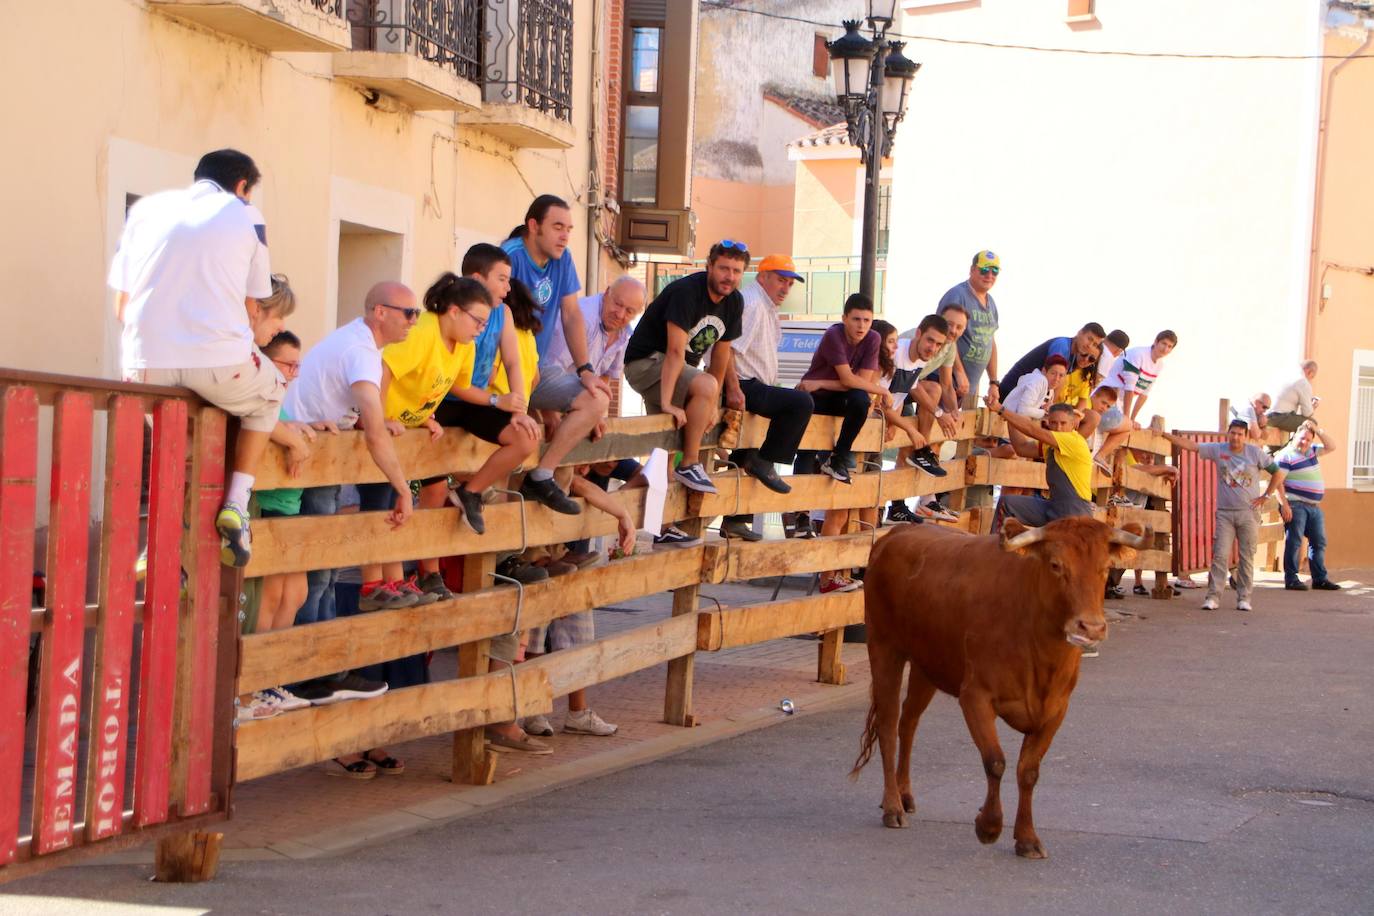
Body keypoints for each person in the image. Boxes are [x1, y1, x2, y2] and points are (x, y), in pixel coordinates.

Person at [109, 148, 279, 568]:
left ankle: (161, 547)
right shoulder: (245, 215)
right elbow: (252, 306)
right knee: (272, 393)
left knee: (182, 449)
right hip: (218, 360)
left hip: (143, 365)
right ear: (243, 187)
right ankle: (236, 505)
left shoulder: (146, 210)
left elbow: (121, 308)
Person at [279, 282, 418, 709]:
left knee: (323, 572)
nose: (414, 321)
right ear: (380, 312)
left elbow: (366, 417)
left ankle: (323, 668)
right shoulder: (360, 351)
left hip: (314, 459)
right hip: (301, 465)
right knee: (316, 573)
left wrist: (373, 421)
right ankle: (310, 671)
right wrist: (401, 488)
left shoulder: (360, 346)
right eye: (407, 313)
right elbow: (374, 431)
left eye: (415, 314)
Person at [624, 240, 749, 495]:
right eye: (724, 269)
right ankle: (690, 463)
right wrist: (669, 403)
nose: (730, 277)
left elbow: (721, 356)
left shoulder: (734, 302)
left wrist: (713, 402)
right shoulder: (687, 292)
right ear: (709, 266)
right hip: (646, 363)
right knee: (705, 383)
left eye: (736, 271)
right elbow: (674, 351)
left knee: (662, 461)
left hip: (677, 373)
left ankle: (654, 526)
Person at [543, 276, 646, 562]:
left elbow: (605, 380)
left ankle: (565, 550)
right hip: (547, 407)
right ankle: (551, 553)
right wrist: (562, 416)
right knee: (563, 475)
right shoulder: (584, 318)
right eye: (617, 304)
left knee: (582, 470)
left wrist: (595, 419)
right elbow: (548, 372)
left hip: (577, 412)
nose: (620, 314)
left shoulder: (623, 333)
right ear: (606, 293)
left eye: (630, 311)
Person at [716, 254, 816, 540]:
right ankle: (766, 461)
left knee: (745, 451)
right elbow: (726, 349)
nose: (785, 287)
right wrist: (733, 388)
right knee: (801, 404)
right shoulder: (752, 303)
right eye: (780, 280)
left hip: (749, 383)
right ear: (763, 277)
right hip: (742, 384)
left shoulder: (765, 306)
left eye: (789, 283)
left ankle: (735, 519)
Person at [1164, 421, 1279, 612]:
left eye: (1240, 434)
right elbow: (1192, 446)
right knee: (1220, 555)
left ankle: (1244, 598)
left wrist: (1266, 495)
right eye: (1233, 433)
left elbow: (1277, 472)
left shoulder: (1255, 453)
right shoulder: (1218, 450)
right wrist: (1165, 435)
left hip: (1249, 513)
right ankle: (1213, 597)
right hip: (1225, 513)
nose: (1236, 437)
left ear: (1246, 436)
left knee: (1247, 556)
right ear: (1228, 434)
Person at [797, 293, 889, 486]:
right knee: (807, 451)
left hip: (837, 395)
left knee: (861, 400)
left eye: (867, 320)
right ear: (844, 319)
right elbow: (848, 379)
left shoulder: (873, 338)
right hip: (815, 398)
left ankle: (839, 456)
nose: (861, 326)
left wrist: (821, 382)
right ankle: (796, 512)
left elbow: (859, 382)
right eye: (856, 319)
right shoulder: (834, 334)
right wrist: (883, 391)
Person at [984, 393, 1096, 529]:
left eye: (1063, 423)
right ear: (1048, 422)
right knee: (1006, 504)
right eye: (1054, 423)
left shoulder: (1073, 441)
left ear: (1073, 424)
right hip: (1053, 505)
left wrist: (1002, 410)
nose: (1058, 428)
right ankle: (995, 549)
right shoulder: (1051, 444)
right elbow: (1022, 448)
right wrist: (1011, 418)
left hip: (1074, 510)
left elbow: (1032, 429)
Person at [1273, 422, 1341, 591]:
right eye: (1302, 438)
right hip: (1296, 505)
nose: (1305, 442)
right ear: (1294, 436)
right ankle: (1291, 578)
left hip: (1314, 507)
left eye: (1309, 440)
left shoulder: (1312, 451)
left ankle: (1319, 579)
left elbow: (1331, 446)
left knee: (1319, 542)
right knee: (1294, 542)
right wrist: (1284, 506)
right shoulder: (1285, 456)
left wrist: (1317, 430)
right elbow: (1277, 483)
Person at [939, 250, 1001, 408]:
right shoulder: (957, 295)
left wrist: (993, 382)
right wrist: (959, 372)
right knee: (940, 424)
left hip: (970, 386)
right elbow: (946, 337)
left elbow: (990, 341)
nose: (990, 276)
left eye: (995, 271)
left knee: (961, 429)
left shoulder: (991, 302)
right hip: (948, 379)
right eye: (984, 270)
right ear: (972, 270)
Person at [997, 323, 1106, 401]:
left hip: (1026, 395)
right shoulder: (1062, 345)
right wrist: (1051, 405)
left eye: (1095, 344)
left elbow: (1058, 381)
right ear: (1080, 333)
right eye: (1089, 339)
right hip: (1012, 391)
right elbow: (1053, 377)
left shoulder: (1073, 356)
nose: (1089, 346)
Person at [1002, 354, 1070, 420]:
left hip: (1012, 419)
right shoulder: (1039, 381)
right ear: (1044, 371)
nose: (1056, 379)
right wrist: (1045, 413)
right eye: (1053, 373)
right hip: (1005, 419)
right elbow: (1023, 410)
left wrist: (1044, 409)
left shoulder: (1050, 390)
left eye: (1061, 375)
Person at [1268, 361, 1319, 432]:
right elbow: (1307, 413)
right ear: (1310, 372)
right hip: (1278, 417)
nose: (1310, 380)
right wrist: (1312, 406)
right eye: (1312, 377)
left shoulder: (1286, 373)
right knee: (1312, 423)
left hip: (1268, 414)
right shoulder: (1303, 382)